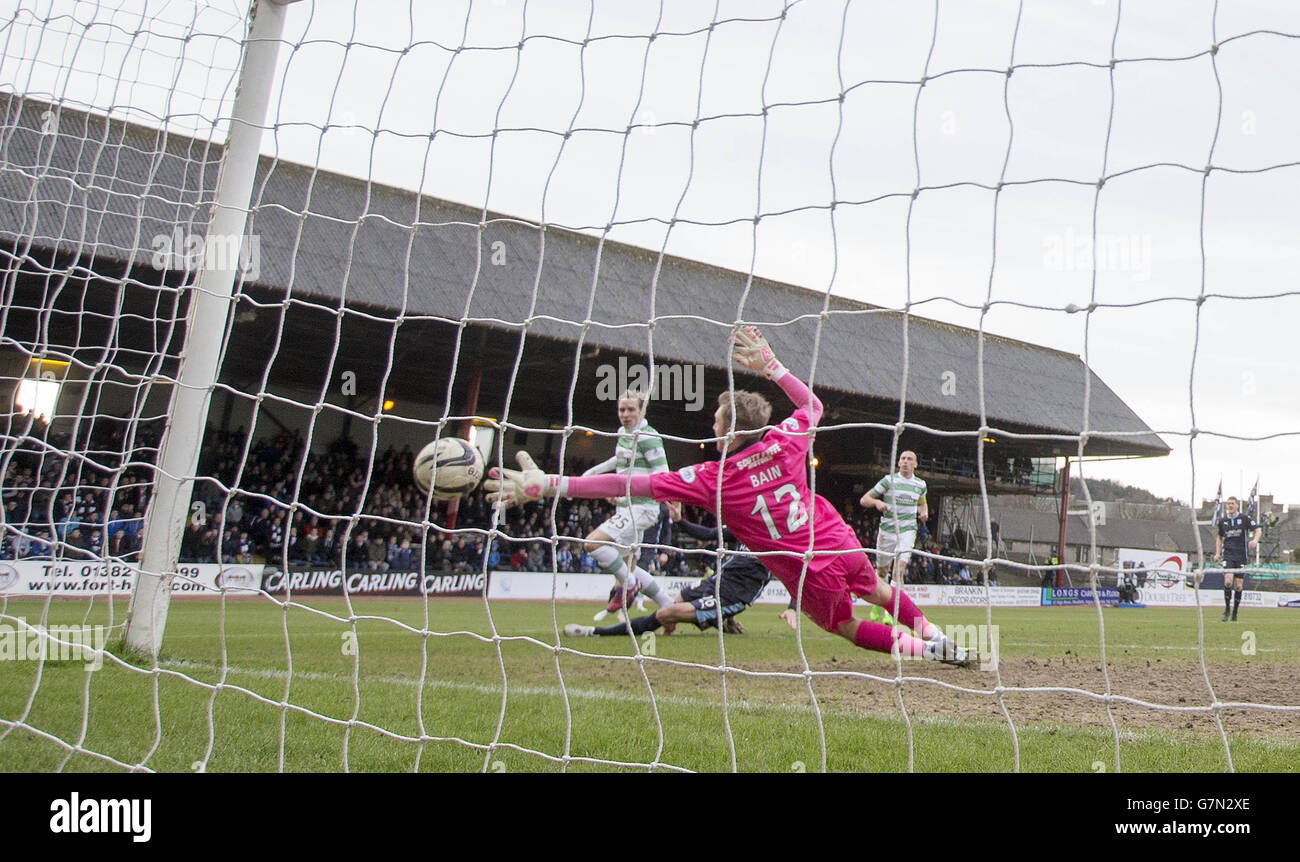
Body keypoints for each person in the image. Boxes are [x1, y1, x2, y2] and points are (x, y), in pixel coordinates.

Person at [489, 326, 975, 667]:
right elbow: (814, 404)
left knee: (846, 626)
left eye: (717, 421)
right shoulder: (786, 440)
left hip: (805, 567)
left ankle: (929, 651)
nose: (711, 426)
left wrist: (554, 484)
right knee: (880, 590)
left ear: (729, 434)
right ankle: (935, 632)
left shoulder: (711, 478)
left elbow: (626, 483)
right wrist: (773, 367)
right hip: (836, 538)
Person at [564, 505, 796, 638]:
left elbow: (796, 577)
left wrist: (792, 609)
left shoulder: (780, 545)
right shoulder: (747, 529)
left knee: (667, 614)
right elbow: (706, 534)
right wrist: (679, 521)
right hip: (715, 582)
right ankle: (719, 621)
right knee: (672, 602)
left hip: (733, 595)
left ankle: (597, 632)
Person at [582, 390, 676, 619]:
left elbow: (662, 474)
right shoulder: (623, 433)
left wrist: (673, 502)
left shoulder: (648, 437)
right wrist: (594, 473)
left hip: (643, 508)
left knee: (592, 545)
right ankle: (667, 604)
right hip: (626, 507)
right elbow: (620, 459)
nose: (625, 414)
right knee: (629, 565)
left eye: (631, 409)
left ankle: (630, 585)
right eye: (621, 409)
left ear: (641, 410)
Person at [861, 451, 928, 586]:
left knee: (899, 570)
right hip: (887, 531)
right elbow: (864, 500)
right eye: (902, 458)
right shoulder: (888, 480)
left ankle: (891, 607)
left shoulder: (920, 485)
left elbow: (922, 503)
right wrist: (876, 502)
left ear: (915, 464)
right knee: (882, 572)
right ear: (898, 463)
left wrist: (924, 512)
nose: (905, 461)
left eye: (909, 459)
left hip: (907, 531)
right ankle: (879, 606)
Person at [1215, 495, 1260, 622]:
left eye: (1232, 503)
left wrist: (1254, 541)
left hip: (1241, 556)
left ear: (1237, 505)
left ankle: (1235, 612)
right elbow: (1219, 537)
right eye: (1228, 503)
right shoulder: (1223, 521)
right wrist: (1217, 553)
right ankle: (1227, 610)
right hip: (1228, 555)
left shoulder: (1244, 519)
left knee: (1239, 586)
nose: (1230, 505)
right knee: (1228, 581)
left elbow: (1258, 530)